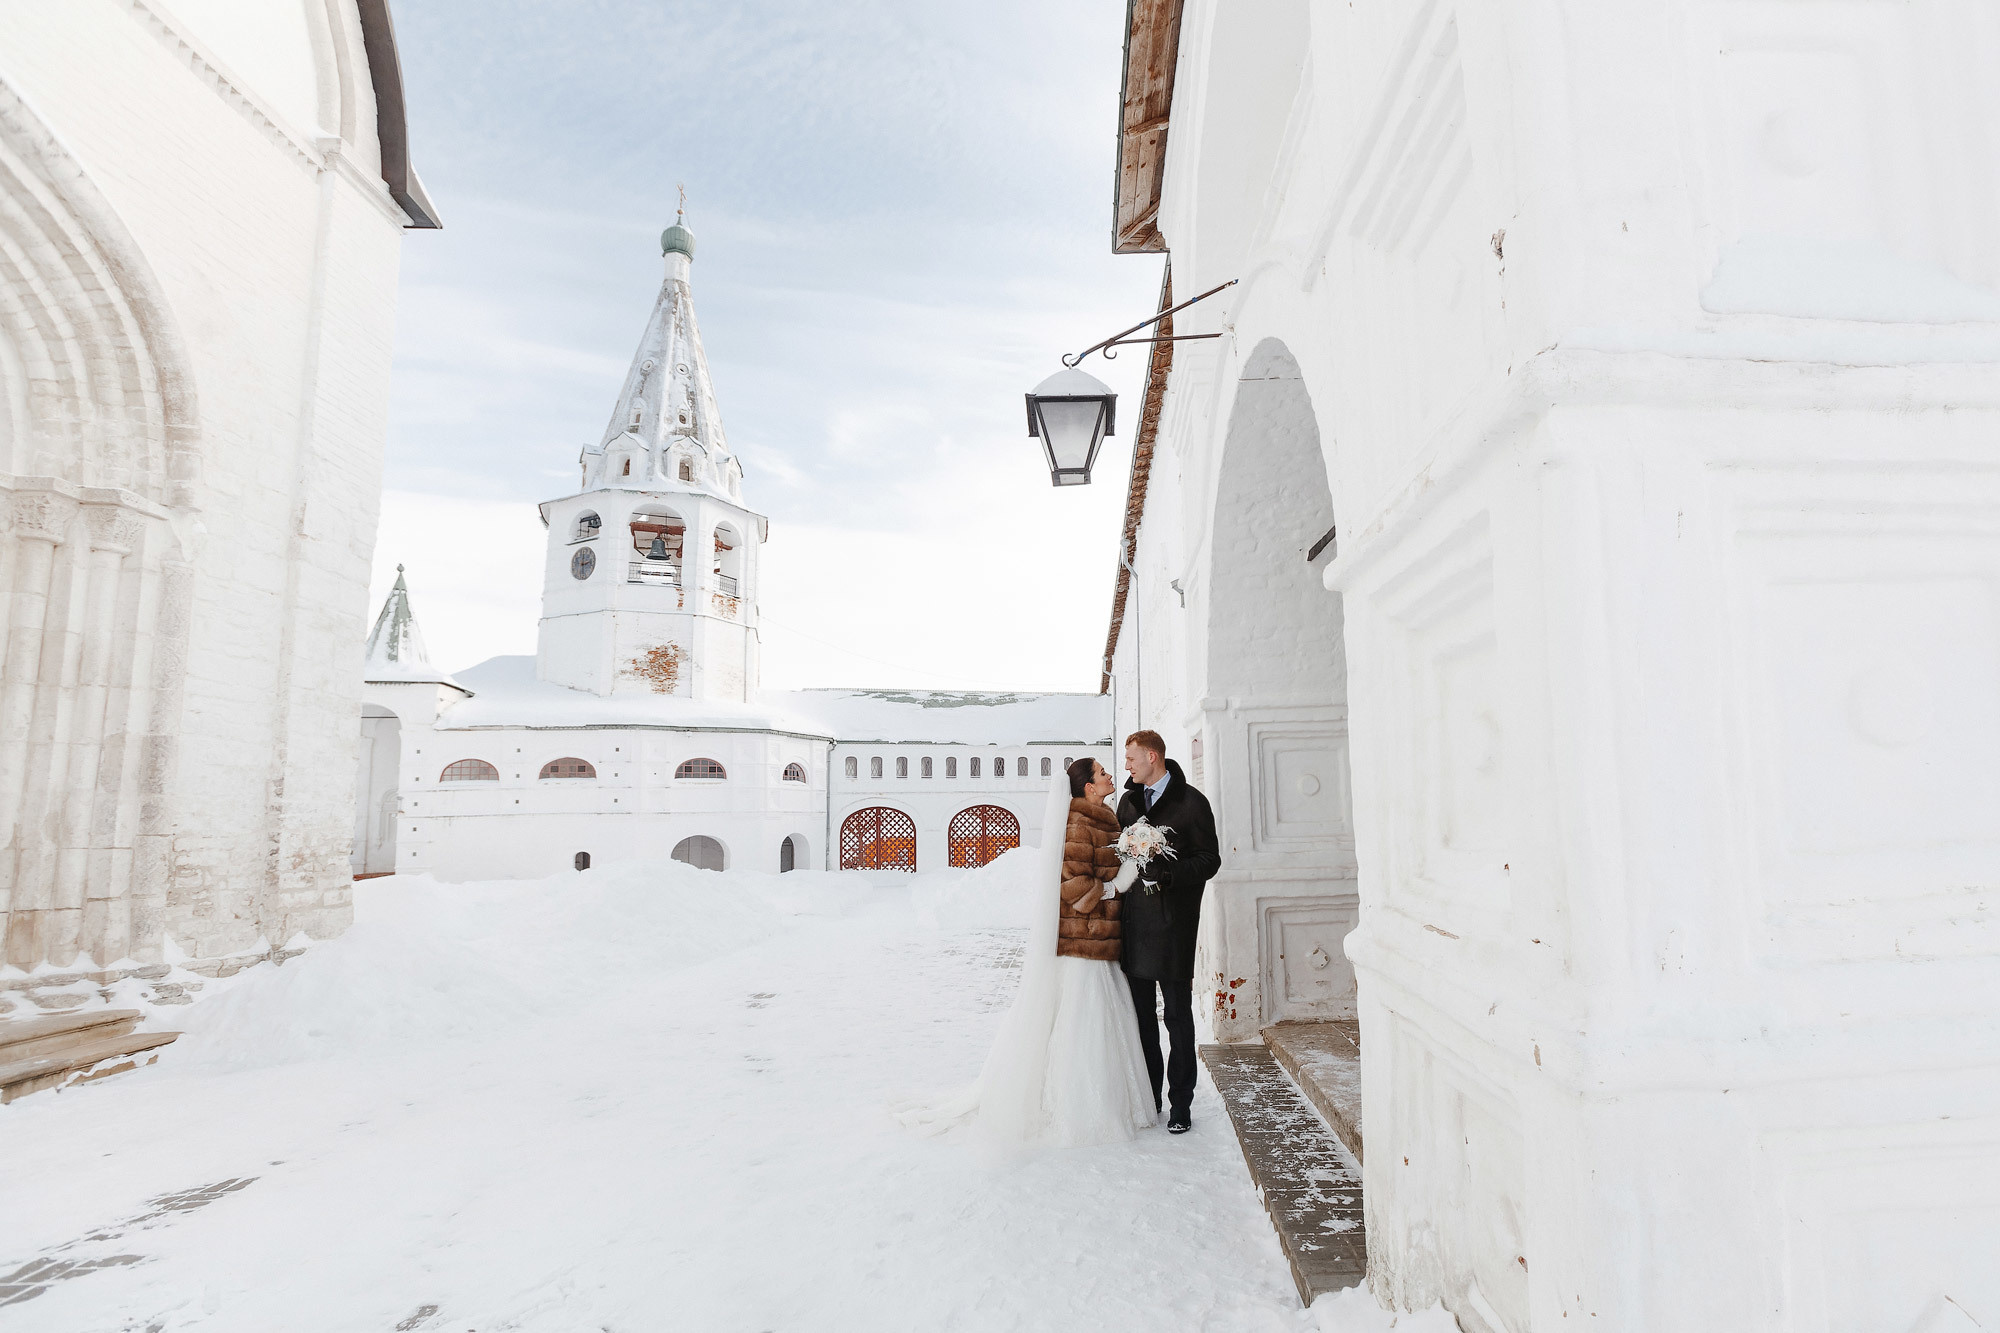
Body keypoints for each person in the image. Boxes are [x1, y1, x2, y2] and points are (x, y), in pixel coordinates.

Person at [899, 758, 1154, 1148]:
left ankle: (1112, 1105)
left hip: (1099, 939)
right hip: (1082, 941)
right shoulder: (1080, 822)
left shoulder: (1103, 817)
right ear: (1087, 786)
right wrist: (1115, 887)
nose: (1109, 776)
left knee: (1101, 1022)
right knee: (1082, 1025)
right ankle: (1078, 1109)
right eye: (1101, 773)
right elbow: (1072, 884)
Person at [1117, 730, 1221, 1134]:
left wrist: (1170, 872)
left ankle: (1181, 1104)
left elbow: (1209, 860)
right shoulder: (1127, 803)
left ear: (1152, 756)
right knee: (1141, 1018)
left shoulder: (1192, 803)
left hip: (1175, 925)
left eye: (1131, 759)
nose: (1126, 767)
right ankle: (1150, 1100)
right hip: (1135, 926)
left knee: (1177, 1018)